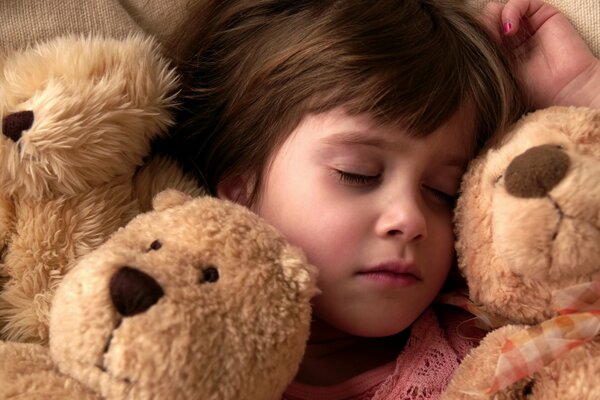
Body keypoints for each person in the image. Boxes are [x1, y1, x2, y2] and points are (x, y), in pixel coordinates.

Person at [164, 0, 600, 398]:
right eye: (359, 174)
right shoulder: (176, 357)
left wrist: (583, 96)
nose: (410, 218)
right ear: (239, 192)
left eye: (443, 192)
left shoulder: (492, 350)